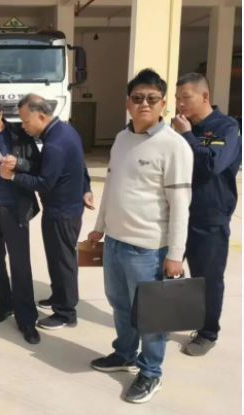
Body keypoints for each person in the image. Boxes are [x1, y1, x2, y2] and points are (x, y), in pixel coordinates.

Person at [88, 69, 193, 403]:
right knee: (120, 304)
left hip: (149, 249)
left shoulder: (174, 146)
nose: (144, 104)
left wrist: (174, 255)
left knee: (152, 316)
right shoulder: (122, 139)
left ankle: (151, 372)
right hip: (115, 243)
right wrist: (100, 226)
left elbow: (181, 205)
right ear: (128, 103)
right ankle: (124, 353)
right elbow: (112, 186)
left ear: (163, 104)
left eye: (151, 98)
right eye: (137, 98)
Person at [0, 94, 93, 330]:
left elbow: (44, 183)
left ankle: (66, 313)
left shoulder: (55, 143)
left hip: (61, 212)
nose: (23, 127)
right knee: (56, 258)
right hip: (65, 208)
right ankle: (59, 297)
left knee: (63, 261)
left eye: (25, 121)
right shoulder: (65, 131)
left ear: (40, 116)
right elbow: (79, 166)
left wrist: (13, 177)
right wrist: (86, 188)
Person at [173, 72, 242, 356]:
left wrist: (187, 136)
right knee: (168, 272)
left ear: (205, 96)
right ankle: (165, 320)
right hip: (178, 213)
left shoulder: (226, 128)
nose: (180, 104)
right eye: (177, 98)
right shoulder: (180, 126)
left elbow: (212, 165)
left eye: (185, 97)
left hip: (209, 216)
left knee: (207, 278)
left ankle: (207, 333)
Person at [0, 96, 41, 344]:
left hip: (15, 209)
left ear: (0, 115)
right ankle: (5, 304)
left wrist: (19, 163)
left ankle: (27, 319)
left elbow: (37, 165)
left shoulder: (19, 135)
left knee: (20, 265)